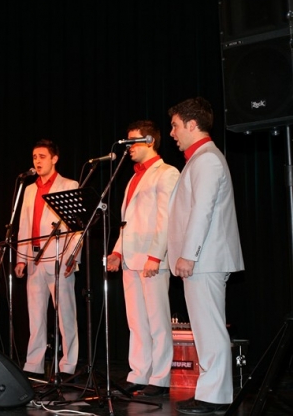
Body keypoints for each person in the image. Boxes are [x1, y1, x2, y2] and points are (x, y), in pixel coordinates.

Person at [167, 97, 244, 414]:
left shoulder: (207, 159)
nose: (172, 133)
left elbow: (202, 211)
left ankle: (215, 396)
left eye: (175, 126)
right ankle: (212, 392)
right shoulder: (199, 159)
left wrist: (189, 254)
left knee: (209, 329)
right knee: (204, 329)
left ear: (191, 124)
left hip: (205, 258)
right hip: (204, 258)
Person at [107, 120, 180, 397]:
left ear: (150, 141)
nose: (128, 147)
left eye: (133, 141)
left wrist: (155, 256)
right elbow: (127, 223)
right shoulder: (132, 177)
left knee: (157, 321)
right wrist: (117, 252)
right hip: (131, 258)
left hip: (151, 259)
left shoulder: (167, 172)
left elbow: (165, 219)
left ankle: (160, 378)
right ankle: (139, 373)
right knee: (136, 322)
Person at [14, 139, 80, 379]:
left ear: (54, 159)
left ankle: (68, 365)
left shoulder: (69, 185)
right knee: (35, 316)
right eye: (34, 157)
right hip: (33, 257)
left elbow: (77, 228)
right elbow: (23, 225)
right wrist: (21, 258)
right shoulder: (29, 189)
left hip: (59, 257)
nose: (37, 161)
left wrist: (73, 258)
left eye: (42, 156)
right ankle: (34, 365)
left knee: (65, 315)